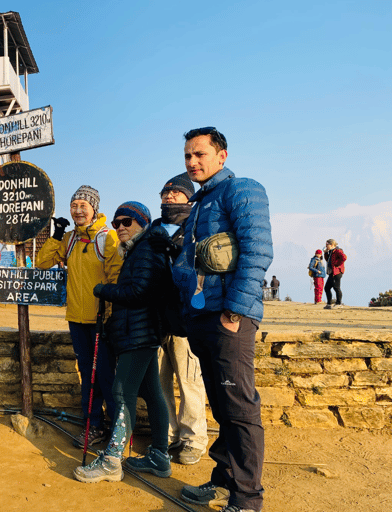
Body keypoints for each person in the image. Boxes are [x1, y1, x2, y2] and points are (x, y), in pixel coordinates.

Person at [171, 127, 272, 512]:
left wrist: (234, 312)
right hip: (203, 317)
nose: (192, 162)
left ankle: (247, 500)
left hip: (228, 318)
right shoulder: (199, 203)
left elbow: (257, 251)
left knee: (239, 407)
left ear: (222, 156)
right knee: (222, 404)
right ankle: (224, 479)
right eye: (187, 156)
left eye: (199, 154)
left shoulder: (241, 189)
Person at [73, 202, 172, 483]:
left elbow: (140, 291)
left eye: (127, 222)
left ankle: (112, 460)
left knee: (121, 392)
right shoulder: (141, 249)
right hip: (141, 332)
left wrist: (104, 290)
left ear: (142, 222)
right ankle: (159, 457)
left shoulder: (146, 249)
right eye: (117, 223)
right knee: (151, 391)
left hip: (138, 333)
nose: (120, 228)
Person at [36, 185, 122, 448]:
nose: (78, 210)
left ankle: (117, 429)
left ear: (94, 207)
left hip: (101, 320)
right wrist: (57, 234)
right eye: (74, 205)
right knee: (88, 375)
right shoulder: (70, 239)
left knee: (106, 377)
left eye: (83, 205)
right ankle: (93, 425)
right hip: (77, 319)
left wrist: (108, 311)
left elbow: (116, 277)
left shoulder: (108, 237)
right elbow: (42, 262)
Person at [150, 173, 209, 465]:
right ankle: (167, 436)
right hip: (156, 317)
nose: (169, 196)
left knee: (189, 382)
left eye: (176, 192)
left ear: (189, 196)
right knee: (159, 383)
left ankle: (193, 440)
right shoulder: (154, 229)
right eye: (165, 192)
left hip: (186, 318)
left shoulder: (197, 226)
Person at [324, 239, 347, 309]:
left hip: (337, 272)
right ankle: (329, 303)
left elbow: (344, 257)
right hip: (332, 273)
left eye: (327, 245)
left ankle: (338, 303)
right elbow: (328, 260)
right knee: (327, 288)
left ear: (332, 245)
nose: (326, 246)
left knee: (336, 288)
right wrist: (325, 253)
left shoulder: (337, 250)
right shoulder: (331, 252)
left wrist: (337, 264)